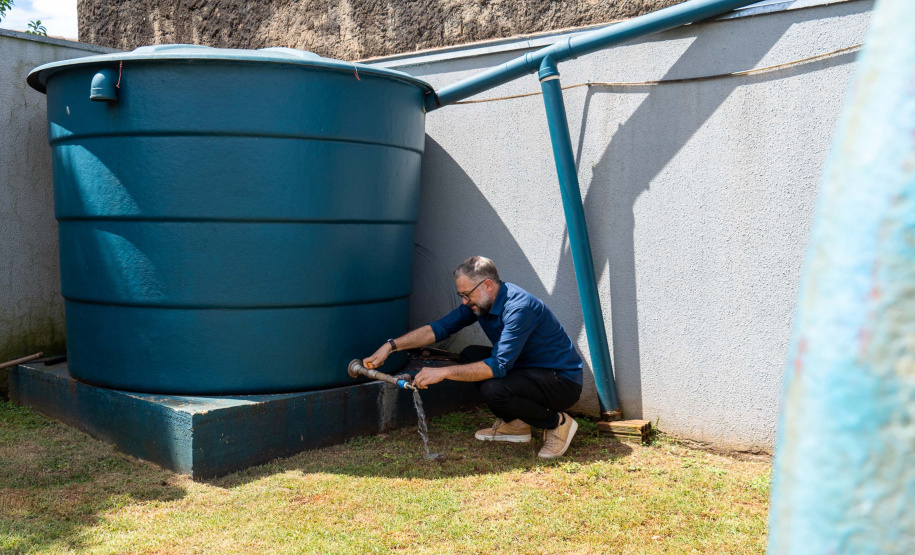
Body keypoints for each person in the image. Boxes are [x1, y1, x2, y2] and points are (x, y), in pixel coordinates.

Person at [362, 256, 583, 458]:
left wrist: (444, 372)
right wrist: (390, 346)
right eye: (461, 295)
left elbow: (498, 365)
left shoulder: (519, 308)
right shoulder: (481, 302)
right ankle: (516, 425)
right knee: (471, 355)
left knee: (494, 388)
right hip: (526, 368)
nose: (464, 301)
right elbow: (439, 328)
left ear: (488, 285)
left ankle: (557, 423)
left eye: (467, 294)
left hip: (561, 381)